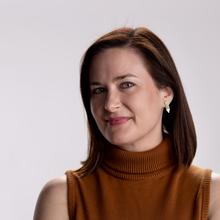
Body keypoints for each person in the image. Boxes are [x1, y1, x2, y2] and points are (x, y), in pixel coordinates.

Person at [33, 27, 220, 220]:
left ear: (166, 94)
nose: (110, 104)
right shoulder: (60, 197)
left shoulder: (212, 195)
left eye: (127, 85)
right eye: (98, 90)